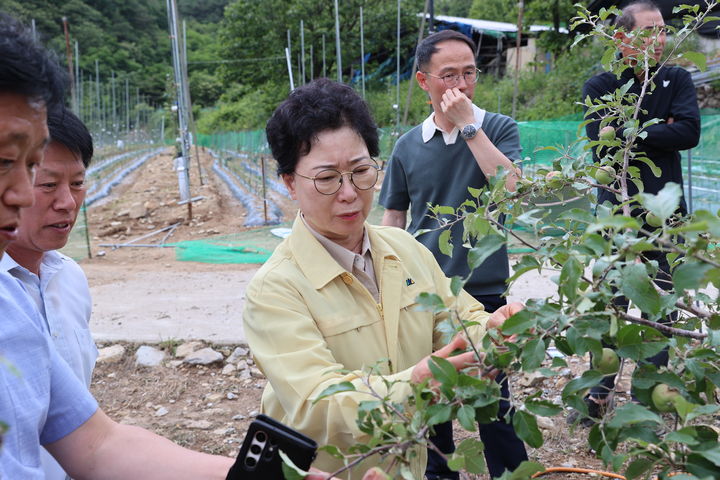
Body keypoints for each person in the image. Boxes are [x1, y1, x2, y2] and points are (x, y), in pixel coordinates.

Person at [243, 78, 522, 479]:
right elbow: (317, 403)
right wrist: (417, 382)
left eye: (361, 171)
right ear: (290, 182)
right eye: (326, 178)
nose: (349, 193)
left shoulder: (405, 250)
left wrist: (493, 332)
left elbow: (457, 322)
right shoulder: (276, 289)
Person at [378, 29, 528, 479]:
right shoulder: (407, 146)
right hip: (426, 298)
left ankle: (513, 473)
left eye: (469, 73)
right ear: (424, 82)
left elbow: (512, 193)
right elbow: (394, 219)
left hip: (484, 293)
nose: (460, 86)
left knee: (493, 402)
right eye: (448, 76)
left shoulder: (497, 127)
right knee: (432, 400)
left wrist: (469, 126)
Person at [575, 0, 701, 425]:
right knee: (610, 302)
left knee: (662, 304)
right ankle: (598, 395)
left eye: (663, 30)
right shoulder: (602, 85)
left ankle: (651, 394)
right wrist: (657, 125)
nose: (660, 38)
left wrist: (635, 128)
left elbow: (689, 132)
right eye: (649, 31)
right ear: (623, 37)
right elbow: (602, 142)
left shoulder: (676, 78)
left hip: (665, 214)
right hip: (616, 212)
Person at [0, 105, 96, 480]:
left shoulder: (69, 278)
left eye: (77, 183)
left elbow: (97, 441)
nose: (67, 203)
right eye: (48, 185)